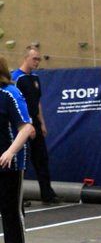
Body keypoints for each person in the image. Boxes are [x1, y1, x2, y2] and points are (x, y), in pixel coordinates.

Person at [11, 46, 60, 204]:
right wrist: (24, 124)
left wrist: (41, 123)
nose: (37, 62)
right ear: (25, 58)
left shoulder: (35, 78)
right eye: (34, 59)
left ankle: (47, 194)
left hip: (35, 123)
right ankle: (17, 196)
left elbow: (37, 102)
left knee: (41, 159)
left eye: (39, 59)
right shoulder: (16, 78)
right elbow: (14, 102)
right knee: (19, 160)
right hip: (20, 124)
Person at [0, 55, 35, 243]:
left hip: (10, 164)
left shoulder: (10, 94)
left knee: (10, 210)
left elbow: (27, 128)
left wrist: (10, 151)